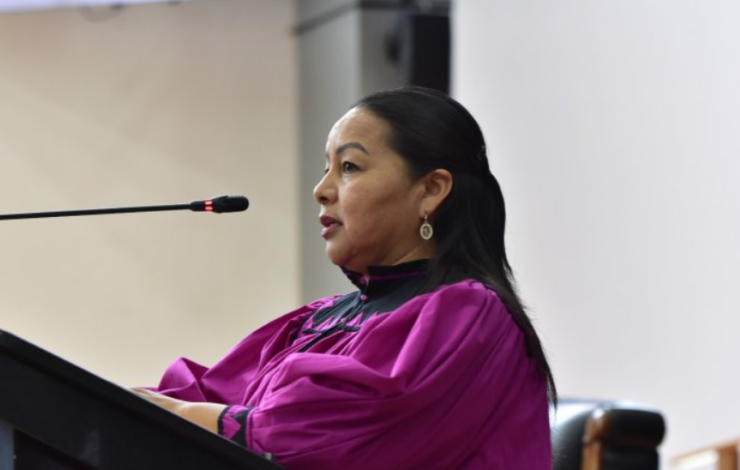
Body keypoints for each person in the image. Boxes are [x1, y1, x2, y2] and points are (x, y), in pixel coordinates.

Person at [133, 86, 556, 469]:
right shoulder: (317, 320)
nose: (321, 189)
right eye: (326, 168)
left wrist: (177, 416)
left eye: (349, 167)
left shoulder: (468, 315)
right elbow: (211, 394)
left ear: (430, 190)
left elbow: (319, 443)